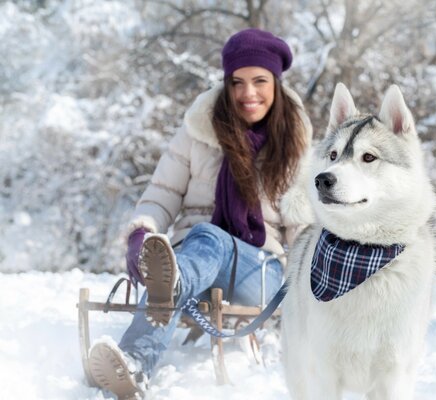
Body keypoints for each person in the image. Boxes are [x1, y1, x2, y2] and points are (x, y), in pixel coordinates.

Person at [88, 28, 312, 399]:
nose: (247, 94)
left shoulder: (295, 145)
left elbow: (304, 230)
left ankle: (170, 285)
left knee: (201, 243)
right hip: (195, 259)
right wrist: (142, 232)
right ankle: (134, 366)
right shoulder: (197, 132)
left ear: (275, 81)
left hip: (260, 271)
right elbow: (162, 194)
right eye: (237, 82)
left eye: (259, 81)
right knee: (195, 247)